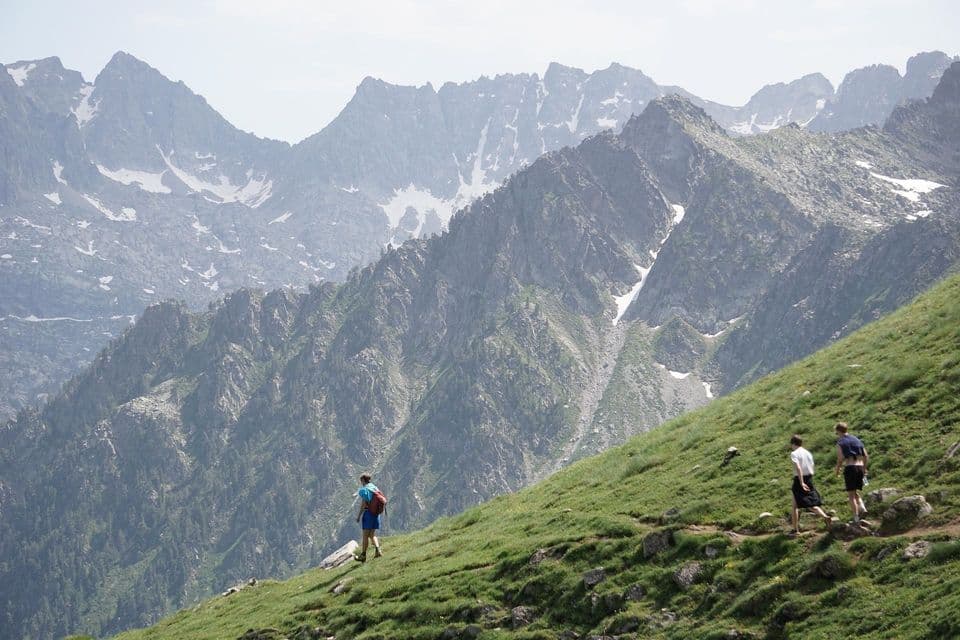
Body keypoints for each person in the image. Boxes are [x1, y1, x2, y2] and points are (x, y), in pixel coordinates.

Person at [788, 434, 832, 535]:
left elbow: (798, 467)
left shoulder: (794, 453)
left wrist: (801, 482)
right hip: (809, 478)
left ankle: (795, 530)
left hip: (800, 480)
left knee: (794, 506)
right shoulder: (808, 453)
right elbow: (812, 465)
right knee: (811, 503)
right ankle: (825, 517)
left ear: (793, 443)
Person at [834, 422, 869, 523]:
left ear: (839, 431)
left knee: (851, 495)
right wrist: (864, 468)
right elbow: (865, 455)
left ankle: (856, 517)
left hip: (850, 467)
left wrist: (837, 469)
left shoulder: (840, 442)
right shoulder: (856, 440)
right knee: (854, 491)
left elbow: (840, 459)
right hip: (860, 467)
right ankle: (862, 508)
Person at [354, 473, 382, 562]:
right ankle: (378, 550)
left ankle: (363, 556)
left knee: (365, 535)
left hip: (368, 514)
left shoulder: (365, 490)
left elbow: (363, 504)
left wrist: (359, 516)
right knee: (372, 534)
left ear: (363, 480)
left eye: (361, 481)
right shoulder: (375, 488)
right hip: (376, 514)